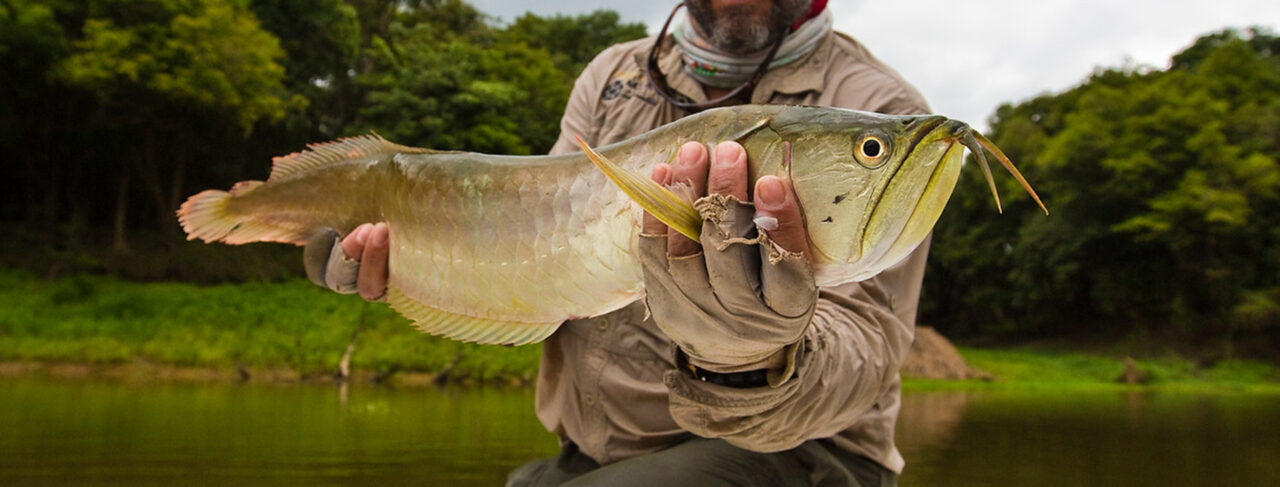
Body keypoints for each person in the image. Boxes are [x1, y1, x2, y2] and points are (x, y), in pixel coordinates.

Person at [307, 1, 931, 485]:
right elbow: (541, 237)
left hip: (800, 461)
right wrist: (408, 261)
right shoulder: (613, 73)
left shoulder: (878, 108)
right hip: (592, 455)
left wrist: (751, 356)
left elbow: (870, 347)